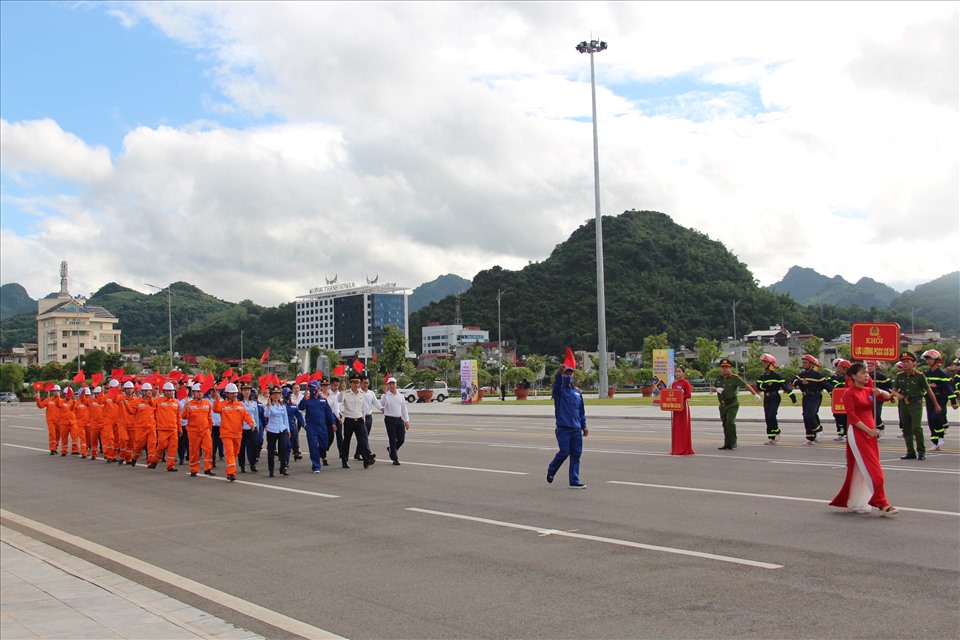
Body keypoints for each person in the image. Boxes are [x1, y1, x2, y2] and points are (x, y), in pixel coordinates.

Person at [829, 363, 898, 515]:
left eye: (867, 372)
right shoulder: (849, 393)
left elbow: (888, 397)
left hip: (870, 432)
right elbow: (852, 418)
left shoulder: (869, 390)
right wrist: (868, 431)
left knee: (861, 469)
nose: (866, 375)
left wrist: (879, 391)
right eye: (862, 373)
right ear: (853, 376)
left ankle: (857, 502)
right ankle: (882, 503)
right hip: (858, 432)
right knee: (873, 468)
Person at [891, 352, 940, 460]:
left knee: (916, 428)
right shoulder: (900, 376)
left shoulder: (919, 376)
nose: (905, 364)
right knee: (906, 428)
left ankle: (921, 451)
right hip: (904, 404)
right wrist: (897, 395)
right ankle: (910, 451)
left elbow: (929, 390)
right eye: (903, 362)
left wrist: (936, 405)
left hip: (915, 404)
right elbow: (893, 390)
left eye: (908, 362)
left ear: (914, 363)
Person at [547, 366, 588, 488]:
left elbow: (581, 411)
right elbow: (557, 383)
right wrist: (559, 373)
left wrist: (584, 426)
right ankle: (551, 470)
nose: (569, 376)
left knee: (576, 454)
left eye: (570, 374)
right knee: (564, 452)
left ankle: (574, 480)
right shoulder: (559, 392)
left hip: (576, 428)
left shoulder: (577, 392)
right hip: (563, 427)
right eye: (566, 374)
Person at [712, 359, 760, 450]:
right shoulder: (719, 378)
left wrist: (755, 394)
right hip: (722, 405)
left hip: (732, 404)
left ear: (730, 368)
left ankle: (733, 442)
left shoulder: (734, 378)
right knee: (725, 424)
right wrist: (716, 389)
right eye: (723, 367)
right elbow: (712, 388)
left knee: (730, 422)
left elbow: (746, 385)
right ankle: (727, 443)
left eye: (726, 367)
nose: (724, 369)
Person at [212, 383, 254, 482]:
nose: (234, 395)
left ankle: (229, 471)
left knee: (235, 453)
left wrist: (251, 423)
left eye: (235, 393)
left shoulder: (240, 405)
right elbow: (215, 409)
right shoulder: (222, 405)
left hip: (238, 433)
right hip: (227, 434)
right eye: (232, 393)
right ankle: (232, 473)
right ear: (227, 394)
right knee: (230, 453)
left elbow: (246, 415)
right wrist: (217, 399)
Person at [792, 355, 834, 445]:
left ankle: (817, 429)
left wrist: (835, 396)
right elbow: (793, 381)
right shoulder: (802, 374)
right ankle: (809, 437)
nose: (803, 364)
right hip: (806, 397)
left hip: (815, 396)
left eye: (805, 363)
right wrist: (801, 382)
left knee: (810, 414)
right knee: (805, 416)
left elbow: (828, 387)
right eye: (803, 362)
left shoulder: (818, 375)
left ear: (811, 364)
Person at [297, 381, 338, 473]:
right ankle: (316, 466)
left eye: (314, 388)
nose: (313, 390)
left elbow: (329, 412)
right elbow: (300, 408)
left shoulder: (323, 400)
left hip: (322, 426)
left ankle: (319, 453)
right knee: (313, 446)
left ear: (318, 388)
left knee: (324, 444)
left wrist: (333, 423)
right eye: (311, 388)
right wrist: (304, 398)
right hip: (312, 427)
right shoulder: (307, 400)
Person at [755, 353, 796, 444]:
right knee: (767, 417)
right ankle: (771, 437)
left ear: (770, 364)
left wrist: (792, 395)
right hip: (767, 398)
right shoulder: (762, 376)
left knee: (771, 415)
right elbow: (759, 387)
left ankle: (776, 431)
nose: (764, 364)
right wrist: (766, 385)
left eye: (765, 363)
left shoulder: (777, 376)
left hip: (775, 397)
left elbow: (784, 386)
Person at [921, 349, 957, 451]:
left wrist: (953, 402)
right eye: (927, 359)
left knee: (935, 418)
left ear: (936, 360)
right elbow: (922, 387)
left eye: (931, 359)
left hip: (940, 399)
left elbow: (948, 389)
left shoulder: (942, 374)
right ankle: (935, 442)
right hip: (929, 400)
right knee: (930, 421)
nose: (928, 361)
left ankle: (941, 437)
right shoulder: (925, 374)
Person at [339, 373, 375, 469]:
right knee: (346, 441)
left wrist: (363, 419)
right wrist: (342, 390)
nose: (356, 384)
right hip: (349, 420)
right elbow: (340, 400)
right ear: (350, 383)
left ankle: (366, 459)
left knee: (363, 440)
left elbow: (363, 409)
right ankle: (344, 460)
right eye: (354, 382)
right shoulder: (346, 393)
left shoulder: (361, 394)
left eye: (358, 382)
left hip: (359, 420)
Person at [181, 383, 215, 477]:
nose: (200, 393)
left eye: (201, 391)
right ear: (193, 393)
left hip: (205, 430)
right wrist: (186, 410)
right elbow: (183, 417)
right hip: (193, 431)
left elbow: (209, 417)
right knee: (194, 451)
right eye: (197, 392)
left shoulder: (207, 404)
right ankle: (193, 469)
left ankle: (208, 468)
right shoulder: (189, 404)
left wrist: (210, 428)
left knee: (208, 449)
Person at [380, 377, 410, 465]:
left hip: (399, 419)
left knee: (401, 439)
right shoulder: (385, 396)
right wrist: (385, 395)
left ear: (396, 384)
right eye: (390, 384)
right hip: (389, 419)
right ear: (387, 385)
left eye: (393, 383)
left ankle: (392, 450)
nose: (392, 385)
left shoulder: (400, 396)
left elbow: (404, 409)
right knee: (392, 439)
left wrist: (407, 420)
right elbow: (382, 405)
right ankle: (395, 458)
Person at [152, 382, 181, 471]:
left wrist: (180, 429)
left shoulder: (176, 402)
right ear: (164, 391)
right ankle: (154, 460)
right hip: (162, 429)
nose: (169, 393)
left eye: (170, 391)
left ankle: (170, 466)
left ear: (173, 391)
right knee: (162, 445)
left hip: (173, 429)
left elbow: (178, 417)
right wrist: (152, 394)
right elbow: (150, 404)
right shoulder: (158, 401)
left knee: (173, 448)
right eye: (167, 391)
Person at [263, 386, 290, 477]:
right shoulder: (268, 406)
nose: (276, 396)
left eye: (278, 394)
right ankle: (271, 469)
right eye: (274, 394)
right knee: (271, 450)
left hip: (282, 429)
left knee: (283, 448)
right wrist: (269, 406)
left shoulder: (283, 405)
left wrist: (288, 430)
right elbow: (266, 415)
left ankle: (283, 467)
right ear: (271, 395)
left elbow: (285, 418)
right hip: (272, 430)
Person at [354, 375, 382, 460]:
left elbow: (376, 402)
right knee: (364, 436)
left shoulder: (371, 393)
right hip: (360, 418)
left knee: (364, 436)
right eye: (364, 383)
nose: (366, 384)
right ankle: (368, 454)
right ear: (360, 383)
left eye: (367, 383)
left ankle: (357, 453)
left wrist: (381, 408)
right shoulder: (357, 392)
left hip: (369, 417)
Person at [670, 365, 694, 455]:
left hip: (683, 407)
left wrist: (681, 396)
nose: (678, 373)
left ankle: (684, 448)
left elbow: (689, 395)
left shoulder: (686, 383)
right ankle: (676, 448)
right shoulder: (674, 384)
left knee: (683, 427)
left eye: (679, 371)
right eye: (676, 371)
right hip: (676, 407)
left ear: (683, 372)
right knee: (676, 427)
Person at [238, 384, 263, 473]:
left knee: (253, 445)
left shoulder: (254, 403)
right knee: (241, 447)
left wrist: (257, 427)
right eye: (244, 390)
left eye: (248, 390)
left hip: (252, 427)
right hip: (242, 427)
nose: (246, 392)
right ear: (241, 392)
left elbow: (256, 416)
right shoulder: (239, 403)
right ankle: (242, 465)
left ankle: (253, 464)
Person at [866, 361, 892, 437]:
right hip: (868, 398)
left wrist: (890, 395)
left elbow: (891, 386)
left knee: (876, 413)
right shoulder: (866, 376)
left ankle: (880, 427)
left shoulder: (881, 377)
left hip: (879, 398)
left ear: (876, 367)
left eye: (871, 366)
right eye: (868, 366)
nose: (869, 367)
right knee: (870, 414)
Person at [35, 384, 62, 455]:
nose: (55, 392)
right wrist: (38, 398)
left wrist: (58, 397)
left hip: (59, 421)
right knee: (52, 434)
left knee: (58, 436)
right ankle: (52, 449)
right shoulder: (48, 400)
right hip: (51, 421)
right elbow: (40, 406)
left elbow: (59, 404)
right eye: (54, 391)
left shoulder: (61, 400)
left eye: (57, 391)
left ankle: (55, 447)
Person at [830, 359, 851, 442]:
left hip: (850, 402)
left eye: (840, 368)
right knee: (839, 416)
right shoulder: (839, 378)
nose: (838, 369)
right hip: (840, 401)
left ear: (845, 369)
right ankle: (842, 433)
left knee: (846, 417)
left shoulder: (851, 378)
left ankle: (847, 435)